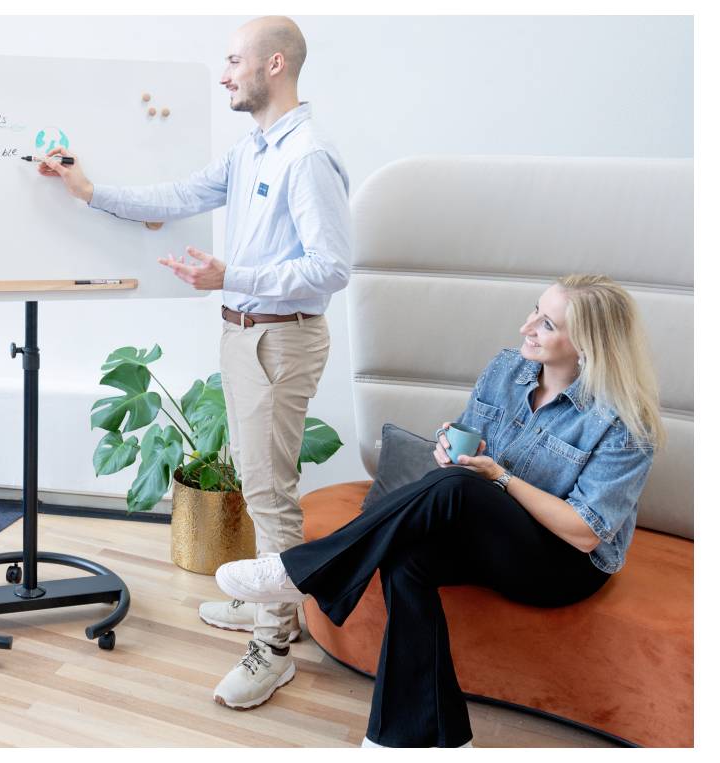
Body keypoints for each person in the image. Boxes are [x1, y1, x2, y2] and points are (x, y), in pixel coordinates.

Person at [37, 15, 350, 708]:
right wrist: (88, 190)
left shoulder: (306, 156)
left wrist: (232, 274)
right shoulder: (252, 150)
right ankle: (270, 602)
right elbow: (179, 196)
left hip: (279, 339)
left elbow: (330, 268)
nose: (223, 73)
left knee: (269, 494)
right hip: (244, 334)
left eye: (234, 60)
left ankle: (273, 645)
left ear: (274, 64)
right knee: (259, 478)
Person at [215, 275, 662, 747]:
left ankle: (301, 572)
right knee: (407, 558)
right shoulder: (508, 369)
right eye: (535, 310)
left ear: (587, 345)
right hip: (493, 533)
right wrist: (453, 448)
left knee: (460, 487)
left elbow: (585, 532)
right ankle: (424, 740)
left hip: (562, 564)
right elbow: (474, 448)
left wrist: (497, 476)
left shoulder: (623, 421)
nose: (526, 326)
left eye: (547, 324)